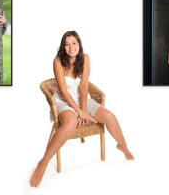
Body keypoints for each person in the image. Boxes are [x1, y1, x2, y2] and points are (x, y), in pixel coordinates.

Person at [30, 31, 134, 188]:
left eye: (74, 43)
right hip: (63, 101)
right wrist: (78, 112)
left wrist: (83, 110)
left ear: (79, 44)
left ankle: (123, 147)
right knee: (70, 123)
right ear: (63, 46)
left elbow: (84, 85)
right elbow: (64, 91)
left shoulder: (85, 59)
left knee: (110, 116)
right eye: (67, 44)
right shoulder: (58, 61)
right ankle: (43, 164)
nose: (71, 47)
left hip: (83, 99)